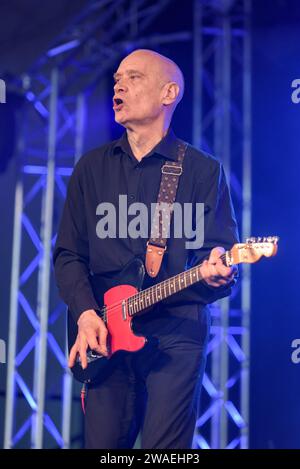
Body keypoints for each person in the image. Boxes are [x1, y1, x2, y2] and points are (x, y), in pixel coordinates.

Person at [53, 49, 239, 449]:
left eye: (134, 77)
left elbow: (219, 258)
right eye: (118, 77)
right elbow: (68, 254)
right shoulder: (91, 167)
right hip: (104, 331)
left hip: (176, 334)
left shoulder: (203, 170)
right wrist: (86, 314)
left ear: (168, 93)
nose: (119, 85)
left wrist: (218, 273)